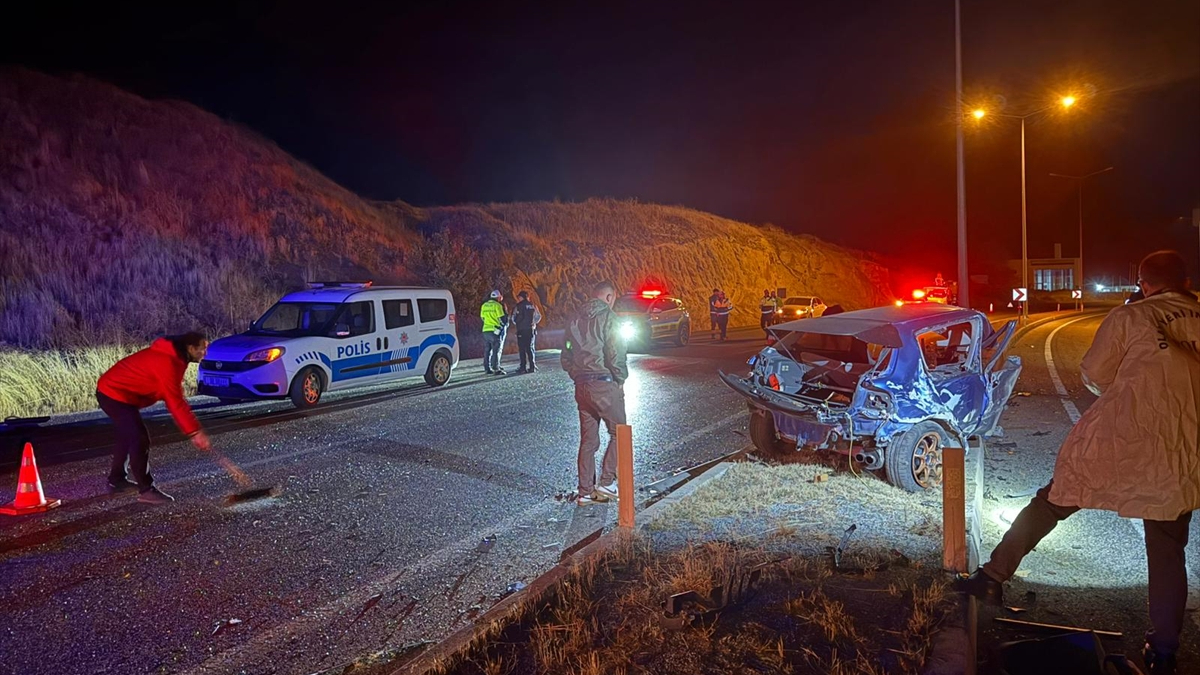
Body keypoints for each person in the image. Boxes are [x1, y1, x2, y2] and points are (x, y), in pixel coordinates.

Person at [959, 250, 1199, 675]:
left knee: (1053, 501)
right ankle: (1164, 652)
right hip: (1183, 449)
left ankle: (992, 578)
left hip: (1121, 439)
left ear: (1144, 282)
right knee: (1166, 548)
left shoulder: (1132, 318)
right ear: (1184, 281)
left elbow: (1095, 374)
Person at [95, 332, 212, 504]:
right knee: (138, 438)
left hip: (122, 394)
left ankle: (117, 481)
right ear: (191, 348)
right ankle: (146, 490)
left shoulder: (176, 359)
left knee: (127, 436)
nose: (205, 353)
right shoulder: (167, 361)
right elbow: (174, 401)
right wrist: (194, 432)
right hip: (113, 394)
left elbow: (168, 392)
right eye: (203, 348)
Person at [561, 280, 628, 506]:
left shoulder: (574, 319)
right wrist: (620, 378)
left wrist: (577, 374)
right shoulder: (610, 318)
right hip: (604, 382)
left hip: (581, 386)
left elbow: (566, 354)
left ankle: (585, 493)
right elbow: (615, 352)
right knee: (620, 432)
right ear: (609, 297)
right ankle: (608, 482)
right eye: (614, 300)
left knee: (588, 441)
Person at [511, 290, 542, 373]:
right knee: (530, 348)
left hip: (521, 330)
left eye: (519, 297)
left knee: (522, 349)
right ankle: (532, 366)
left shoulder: (518, 306)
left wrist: (518, 323)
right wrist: (533, 323)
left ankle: (523, 367)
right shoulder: (533, 305)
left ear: (522, 297)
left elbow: (513, 318)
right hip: (531, 330)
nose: (518, 299)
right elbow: (538, 316)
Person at [480, 290, 507, 375]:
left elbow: (482, 318)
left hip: (485, 330)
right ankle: (496, 368)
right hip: (495, 330)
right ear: (498, 297)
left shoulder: (484, 305)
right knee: (496, 349)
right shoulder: (497, 305)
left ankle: (487, 368)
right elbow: (502, 319)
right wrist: (503, 325)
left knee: (487, 350)